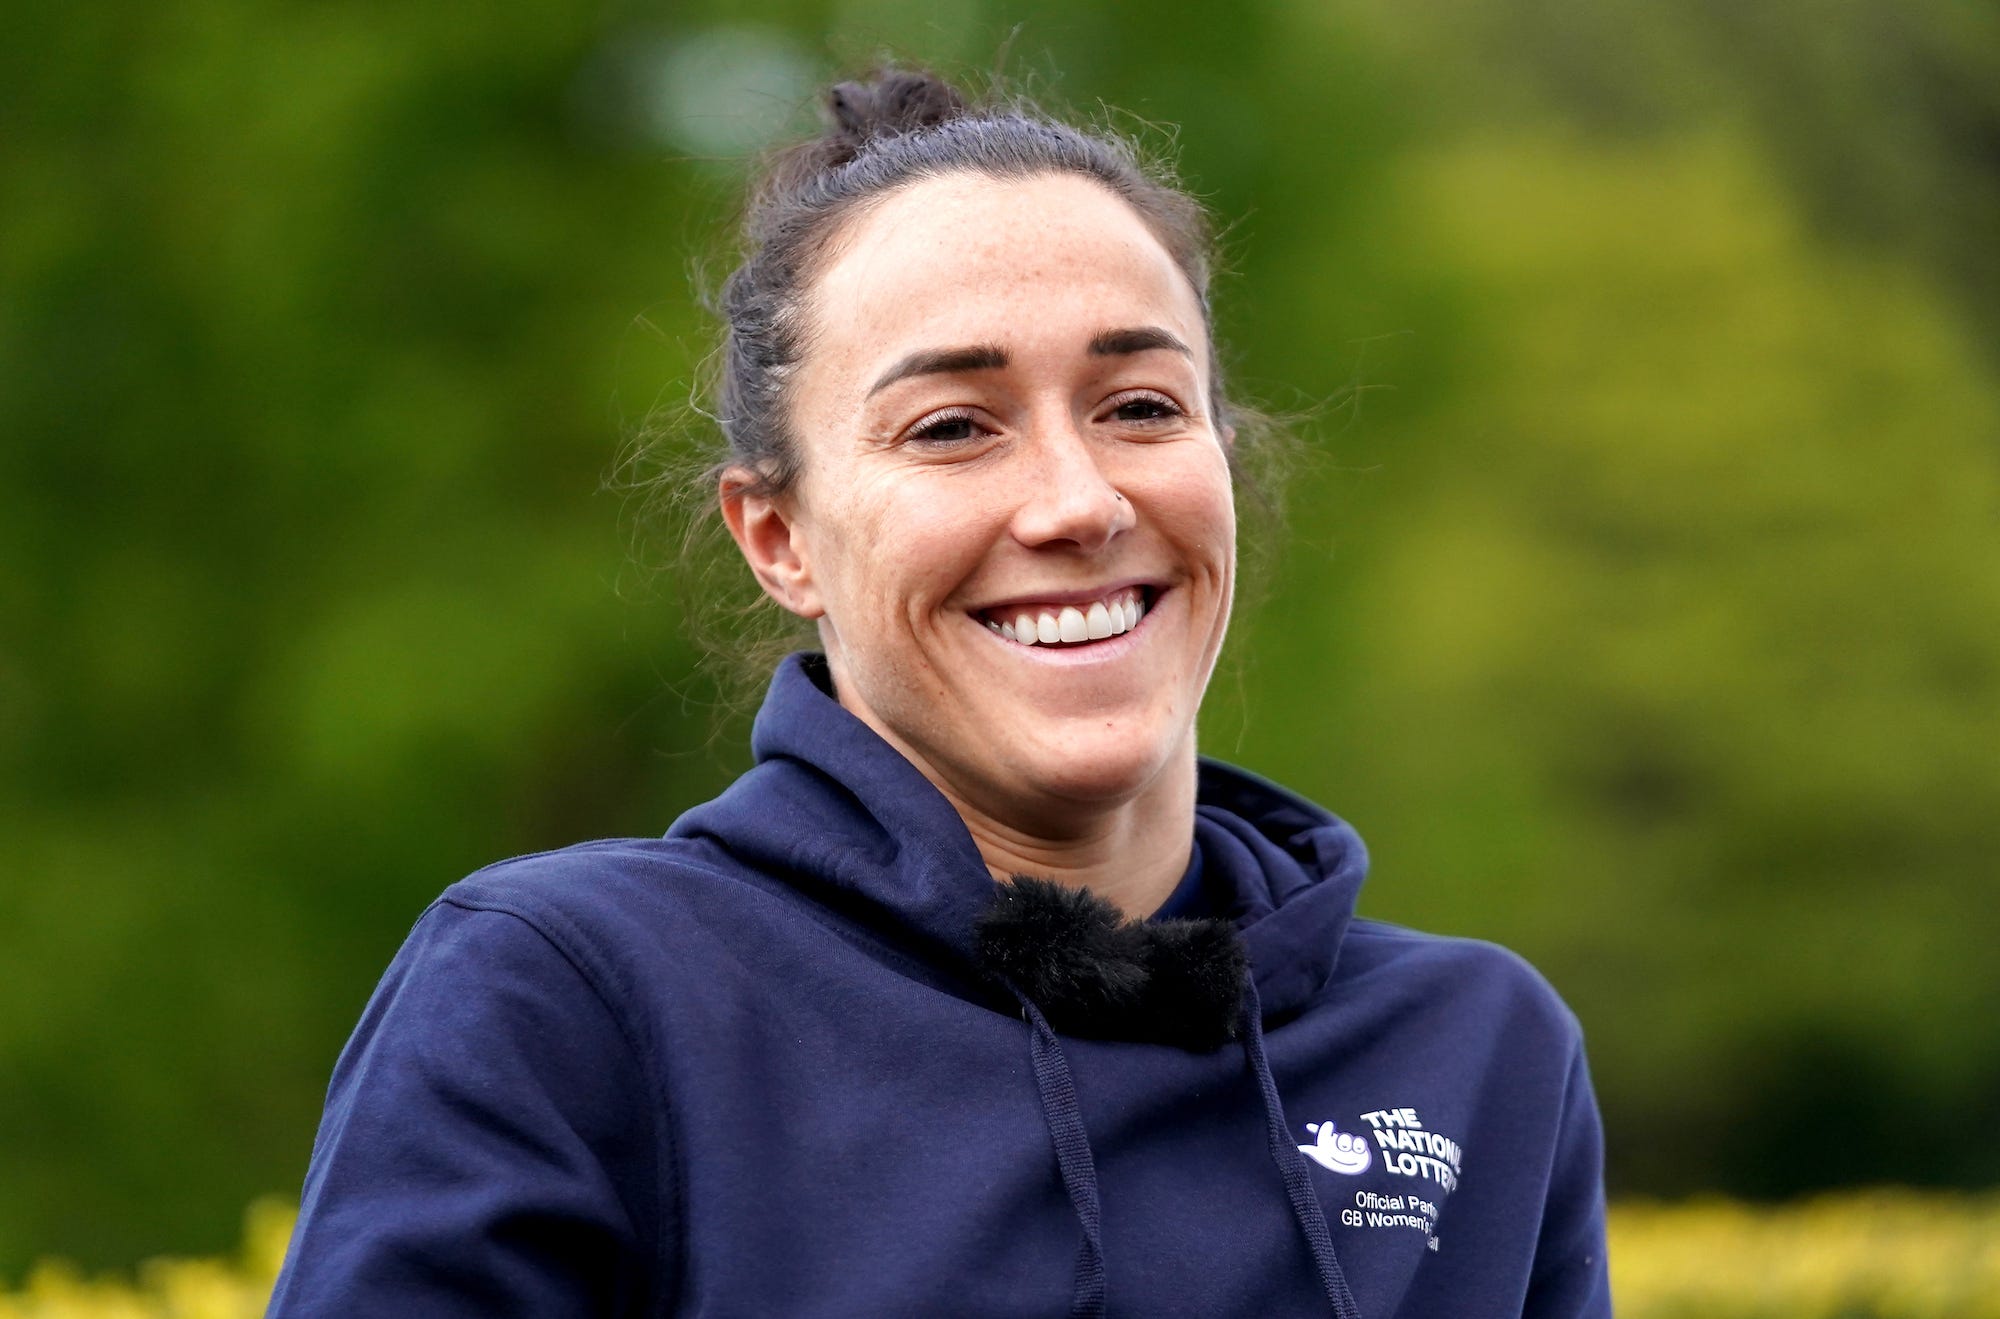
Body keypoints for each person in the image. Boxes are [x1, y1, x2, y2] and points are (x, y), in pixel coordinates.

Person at [269, 69, 1612, 1318]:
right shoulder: (572, 998)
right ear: (778, 538)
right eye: (953, 428)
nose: (1079, 502)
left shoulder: (1478, 1054)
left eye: (1140, 406)